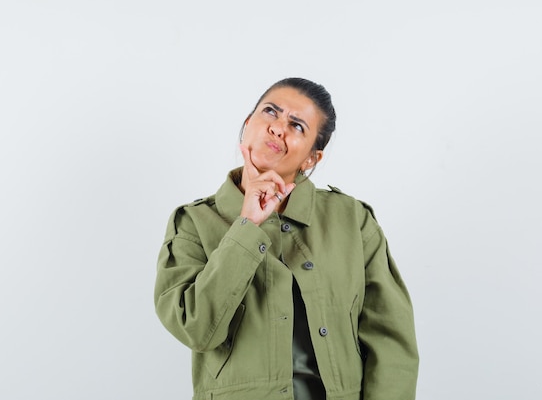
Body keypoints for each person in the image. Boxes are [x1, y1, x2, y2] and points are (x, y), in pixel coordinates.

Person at [154, 77, 419, 400]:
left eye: (296, 125)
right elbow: (195, 328)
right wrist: (247, 225)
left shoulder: (352, 220)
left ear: (312, 158)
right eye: (270, 112)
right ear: (248, 123)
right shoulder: (193, 222)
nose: (278, 128)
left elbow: (390, 340)